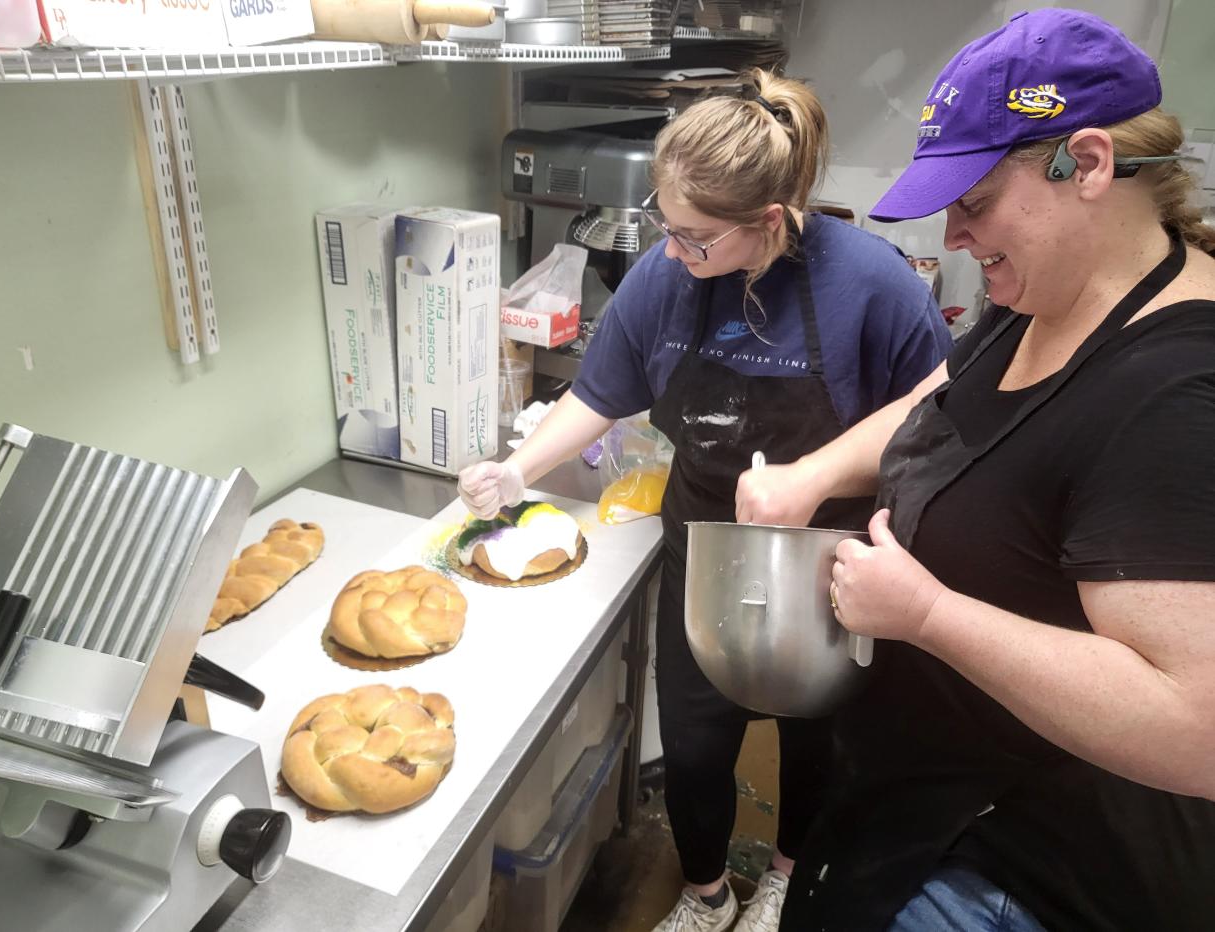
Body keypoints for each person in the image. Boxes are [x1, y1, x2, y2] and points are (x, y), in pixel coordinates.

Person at [735, 10, 1215, 931]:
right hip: (916, 802)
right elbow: (938, 396)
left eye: (977, 200)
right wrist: (813, 474)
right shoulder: (1043, 298)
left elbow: (1195, 728)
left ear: (1089, 164)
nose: (955, 236)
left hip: (1022, 867)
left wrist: (928, 615)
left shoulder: (1175, 397)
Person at [460, 69, 951, 932]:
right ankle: (707, 895)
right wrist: (518, 469)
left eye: (695, 237)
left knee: (815, 742)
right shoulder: (666, 276)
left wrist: (814, 477)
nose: (673, 251)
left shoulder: (870, 284)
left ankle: (788, 881)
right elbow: (601, 392)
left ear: (768, 221)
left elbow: (941, 405)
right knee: (692, 744)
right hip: (704, 548)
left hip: (829, 563)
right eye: (666, 224)